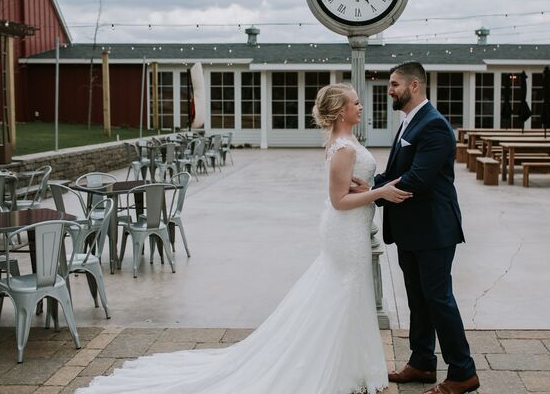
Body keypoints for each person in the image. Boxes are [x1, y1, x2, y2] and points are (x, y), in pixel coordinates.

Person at [76, 83, 412, 394]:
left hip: (352, 228)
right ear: (341, 111)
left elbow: (349, 190)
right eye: (356, 103)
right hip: (345, 229)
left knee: (347, 295)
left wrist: (370, 189)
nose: (361, 106)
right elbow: (339, 201)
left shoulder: (346, 144)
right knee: (340, 295)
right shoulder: (342, 149)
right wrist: (380, 192)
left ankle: (348, 366)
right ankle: (326, 368)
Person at [370, 61, 479, 394]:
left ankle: (463, 372)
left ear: (414, 85)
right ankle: (421, 363)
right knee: (418, 299)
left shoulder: (434, 126)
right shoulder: (409, 122)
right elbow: (398, 171)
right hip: (410, 229)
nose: (389, 90)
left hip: (433, 229)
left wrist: (374, 193)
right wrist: (373, 185)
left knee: (438, 299)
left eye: (393, 84)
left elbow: (418, 178)